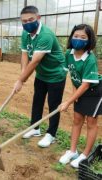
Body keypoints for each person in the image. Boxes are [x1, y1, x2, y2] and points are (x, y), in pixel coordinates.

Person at [13, 6, 66, 147]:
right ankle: (35, 128)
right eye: (24, 21)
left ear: (38, 18)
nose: (27, 23)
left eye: (31, 19)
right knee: (37, 101)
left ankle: (51, 134)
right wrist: (23, 75)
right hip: (42, 74)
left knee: (54, 105)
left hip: (56, 74)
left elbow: (35, 60)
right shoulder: (25, 33)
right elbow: (25, 53)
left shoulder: (45, 35)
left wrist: (20, 80)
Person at [59, 24, 102, 168]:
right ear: (71, 37)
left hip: (94, 92)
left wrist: (68, 101)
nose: (78, 39)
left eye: (83, 37)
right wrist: (73, 92)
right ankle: (72, 151)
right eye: (76, 36)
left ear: (89, 41)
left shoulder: (90, 59)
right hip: (80, 90)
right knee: (77, 119)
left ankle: (85, 154)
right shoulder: (69, 54)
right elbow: (73, 75)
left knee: (91, 122)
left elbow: (86, 85)